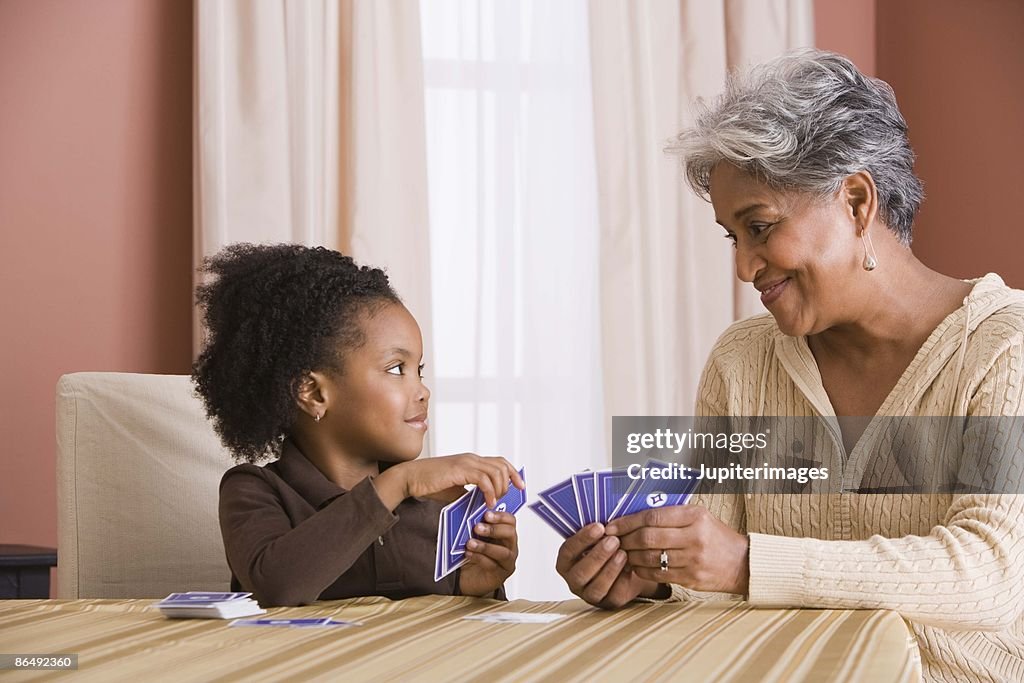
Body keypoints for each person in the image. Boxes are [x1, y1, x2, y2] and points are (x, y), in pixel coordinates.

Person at [555, 49, 1024, 681]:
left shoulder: (1004, 348)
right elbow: (708, 576)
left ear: (857, 202)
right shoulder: (741, 361)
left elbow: (989, 577)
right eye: (733, 236)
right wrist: (649, 578)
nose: (745, 267)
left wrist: (749, 563)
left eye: (760, 226)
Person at [193, 243, 525, 607]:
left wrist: (476, 587)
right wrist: (398, 482)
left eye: (420, 371)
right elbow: (276, 588)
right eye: (397, 369)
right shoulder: (256, 491)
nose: (423, 391)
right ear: (314, 393)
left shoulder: (435, 505)